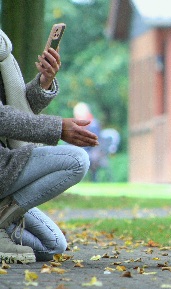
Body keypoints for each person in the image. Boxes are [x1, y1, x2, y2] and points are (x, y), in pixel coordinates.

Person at [0, 29, 99, 263]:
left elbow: (18, 111)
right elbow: (3, 119)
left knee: (53, 245)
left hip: (6, 159)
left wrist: (44, 82)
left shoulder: (3, 52)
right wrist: (58, 128)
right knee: (77, 160)